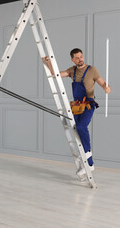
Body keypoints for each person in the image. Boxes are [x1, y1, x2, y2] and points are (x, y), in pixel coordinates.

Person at [43, 48, 111, 180]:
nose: (80, 59)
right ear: (72, 59)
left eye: (81, 56)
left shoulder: (92, 70)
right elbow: (55, 74)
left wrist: (107, 88)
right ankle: (88, 164)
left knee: (81, 127)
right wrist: (48, 63)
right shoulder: (72, 70)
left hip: (88, 104)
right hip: (76, 107)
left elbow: (103, 83)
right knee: (76, 132)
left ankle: (87, 157)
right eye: (77, 57)